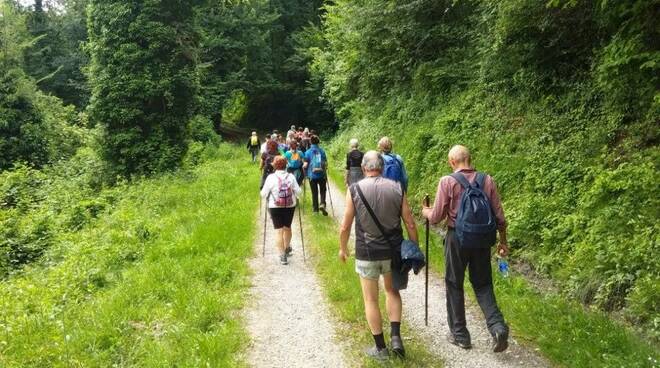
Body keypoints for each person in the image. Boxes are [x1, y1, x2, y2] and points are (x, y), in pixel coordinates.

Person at [421, 145, 510, 353]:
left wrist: (425, 211)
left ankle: (460, 335)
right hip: (482, 240)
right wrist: (503, 242)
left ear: (452, 162)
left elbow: (436, 218)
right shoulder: (487, 180)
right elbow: (500, 218)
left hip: (456, 239)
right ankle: (497, 328)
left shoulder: (448, 181)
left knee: (454, 284)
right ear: (470, 159)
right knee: (483, 284)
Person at [338, 151, 419, 361]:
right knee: (392, 292)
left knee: (370, 299)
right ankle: (396, 338)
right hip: (393, 251)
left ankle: (381, 349)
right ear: (382, 167)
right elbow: (410, 222)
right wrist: (414, 247)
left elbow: (345, 224)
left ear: (364, 168)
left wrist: (343, 248)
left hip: (368, 252)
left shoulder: (354, 189)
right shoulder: (397, 188)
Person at [261, 156, 303, 265]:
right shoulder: (291, 177)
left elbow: (263, 194)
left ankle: (282, 255)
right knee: (287, 228)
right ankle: (287, 247)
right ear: (286, 165)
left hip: (275, 206)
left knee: (279, 230)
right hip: (289, 206)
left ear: (274, 165)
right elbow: (299, 192)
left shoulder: (270, 177)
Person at [303, 135, 328, 215]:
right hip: (321, 174)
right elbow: (325, 163)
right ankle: (322, 203)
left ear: (310, 142)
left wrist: (304, 170)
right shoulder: (322, 151)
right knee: (323, 190)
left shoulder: (308, 152)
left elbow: (305, 165)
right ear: (318, 142)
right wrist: (325, 170)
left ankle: (315, 210)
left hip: (312, 175)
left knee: (314, 192)